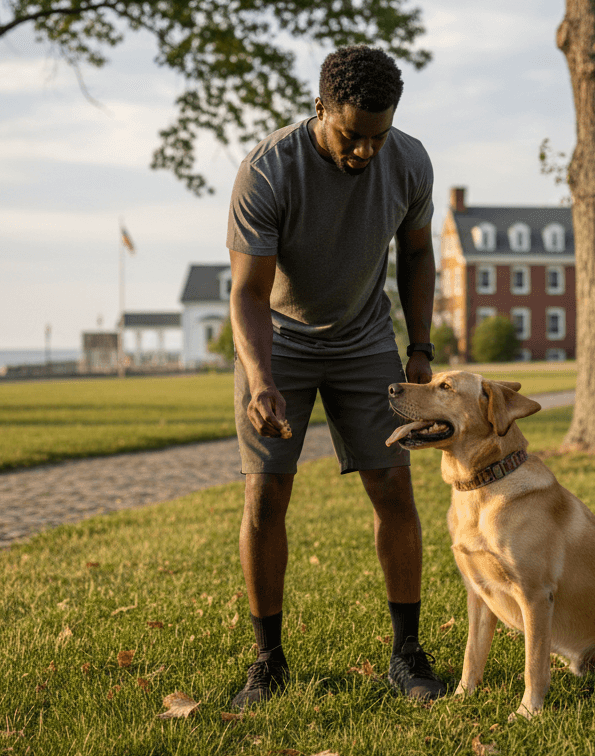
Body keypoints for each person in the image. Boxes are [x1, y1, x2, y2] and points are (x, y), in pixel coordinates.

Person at [225, 45, 442, 710]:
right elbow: (248, 295)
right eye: (353, 136)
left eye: (378, 136)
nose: (367, 152)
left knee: (394, 490)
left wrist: (421, 347)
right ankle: (269, 661)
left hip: (365, 337)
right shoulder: (270, 170)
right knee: (267, 498)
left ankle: (406, 655)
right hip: (280, 340)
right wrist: (261, 378)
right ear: (319, 108)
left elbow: (416, 252)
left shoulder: (409, 161)